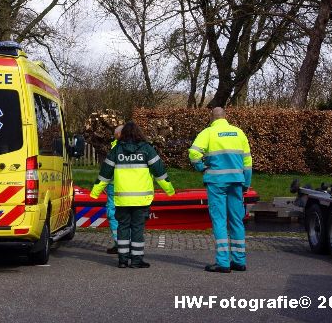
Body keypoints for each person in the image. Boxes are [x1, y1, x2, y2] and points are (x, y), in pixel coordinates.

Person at [91, 121, 175, 268]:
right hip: (141, 199)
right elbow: (159, 172)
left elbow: (105, 174)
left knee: (122, 227)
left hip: (122, 198)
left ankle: (122, 260)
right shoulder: (147, 149)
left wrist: (95, 193)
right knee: (137, 228)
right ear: (139, 133)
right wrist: (170, 190)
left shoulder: (116, 150)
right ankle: (136, 260)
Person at [188, 107, 253, 273]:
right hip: (236, 182)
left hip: (216, 182)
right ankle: (239, 261)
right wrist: (246, 183)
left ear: (212, 117)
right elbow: (247, 162)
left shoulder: (208, 133)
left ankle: (223, 263)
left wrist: (202, 168)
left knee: (219, 220)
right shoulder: (239, 133)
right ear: (226, 117)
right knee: (236, 220)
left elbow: (193, 153)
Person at [105, 125, 123, 254]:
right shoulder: (141, 147)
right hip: (135, 187)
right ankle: (126, 244)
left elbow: (108, 169)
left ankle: (120, 243)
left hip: (115, 186)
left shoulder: (115, 148)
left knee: (113, 215)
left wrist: (101, 186)